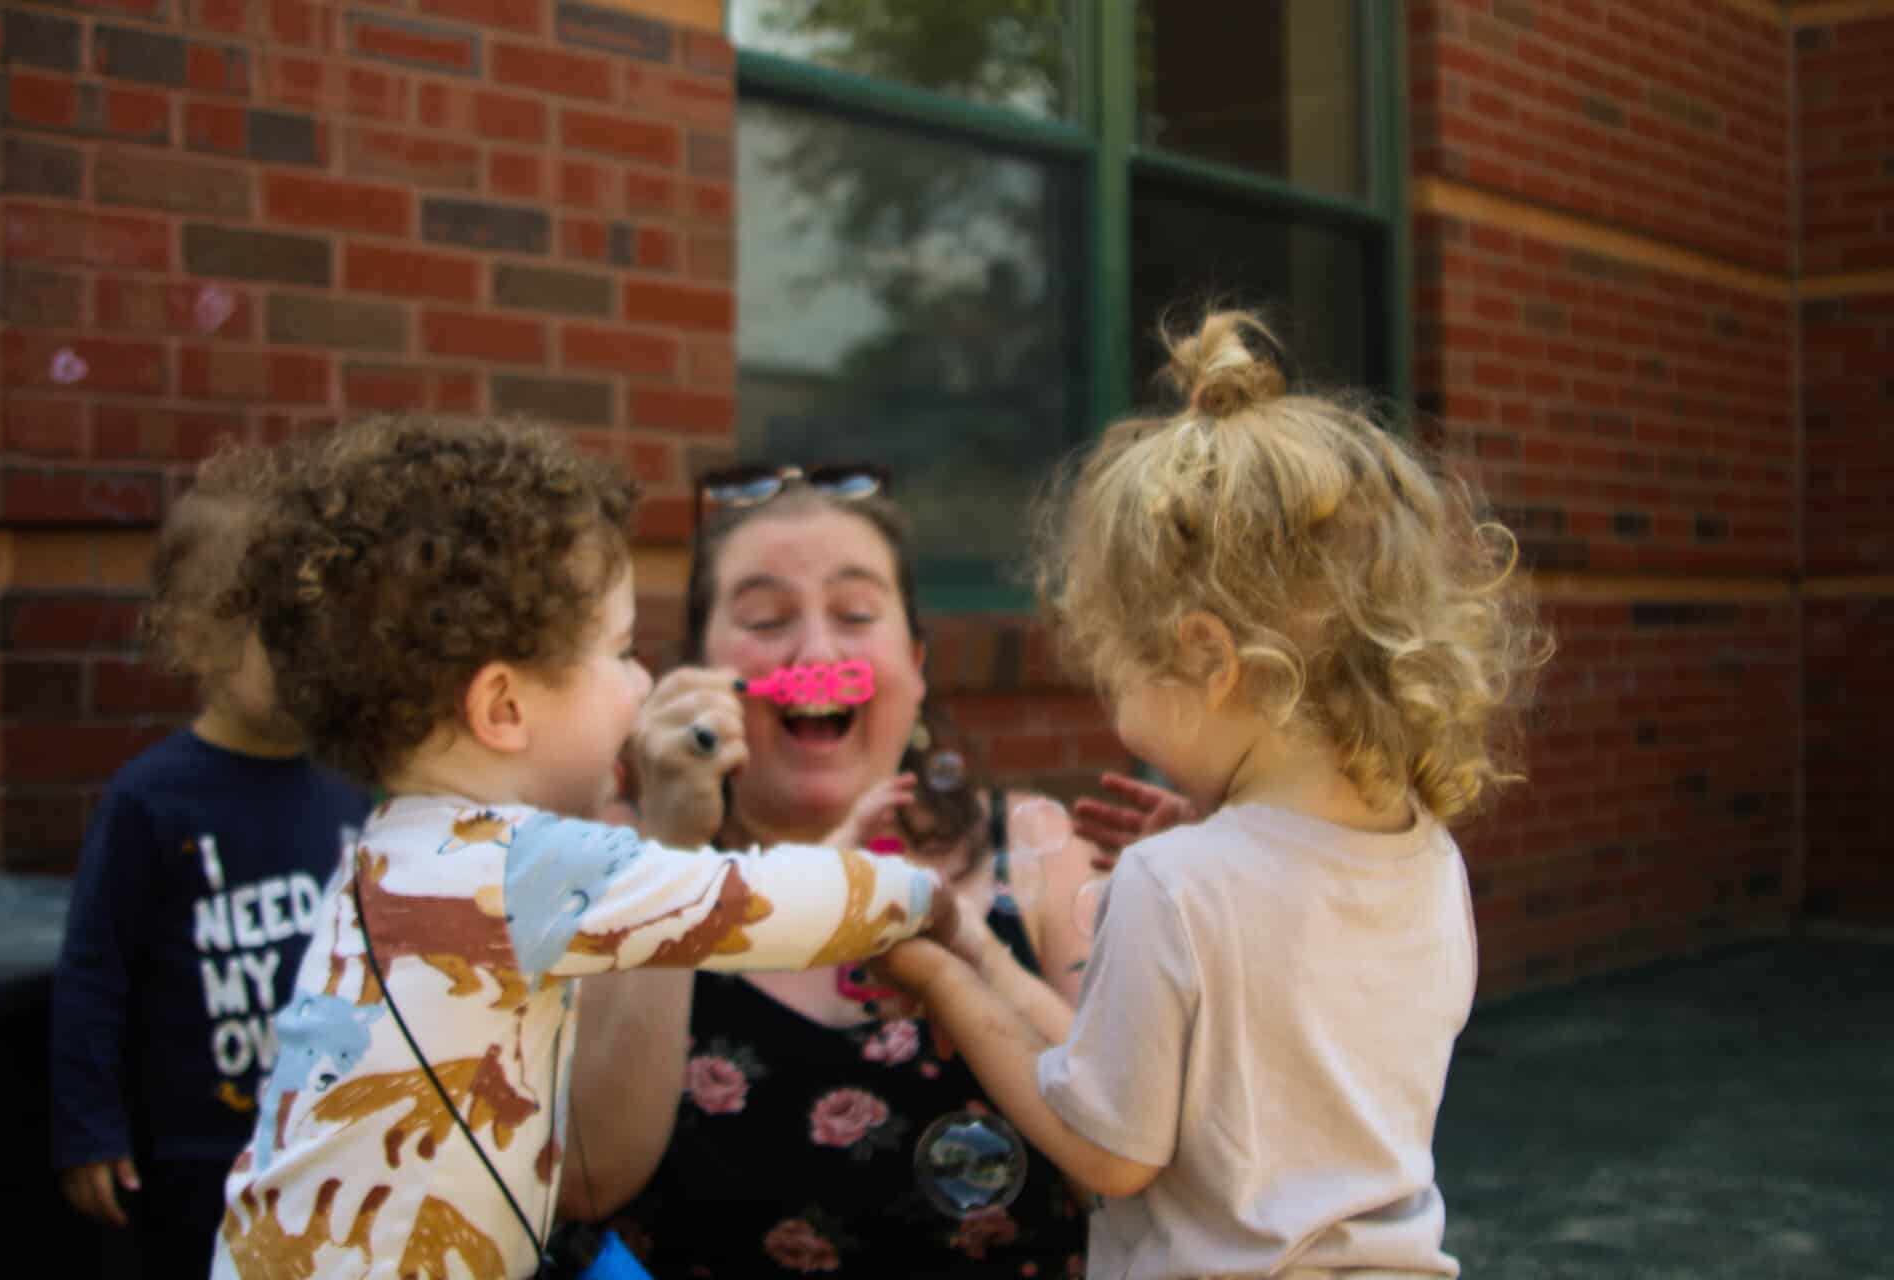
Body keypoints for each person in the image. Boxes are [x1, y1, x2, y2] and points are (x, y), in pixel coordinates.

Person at [207, 415, 970, 1280]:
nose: (643, 682)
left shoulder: (386, 855)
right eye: (616, 653)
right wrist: (919, 896)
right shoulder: (526, 868)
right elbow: (764, 906)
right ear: (503, 707)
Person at [875, 310, 1552, 1279]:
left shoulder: (1178, 880)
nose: (1112, 703)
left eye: (1117, 667)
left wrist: (946, 981)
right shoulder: (1427, 851)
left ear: (1206, 654)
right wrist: (990, 944)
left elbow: (1110, 1148)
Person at [562, 462, 1112, 1277]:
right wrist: (672, 846)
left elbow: (1126, 1161)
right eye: (764, 617)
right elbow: (588, 1184)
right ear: (697, 668)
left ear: (917, 664)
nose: (816, 650)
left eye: (856, 614)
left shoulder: (1034, 851)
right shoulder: (620, 861)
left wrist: (963, 963)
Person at [48, 443, 371, 1280]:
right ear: (194, 640)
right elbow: (93, 977)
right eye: (286, 637)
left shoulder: (352, 787)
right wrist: (90, 1129)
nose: (320, 664)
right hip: (194, 1161)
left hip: (328, 1151)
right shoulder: (151, 801)